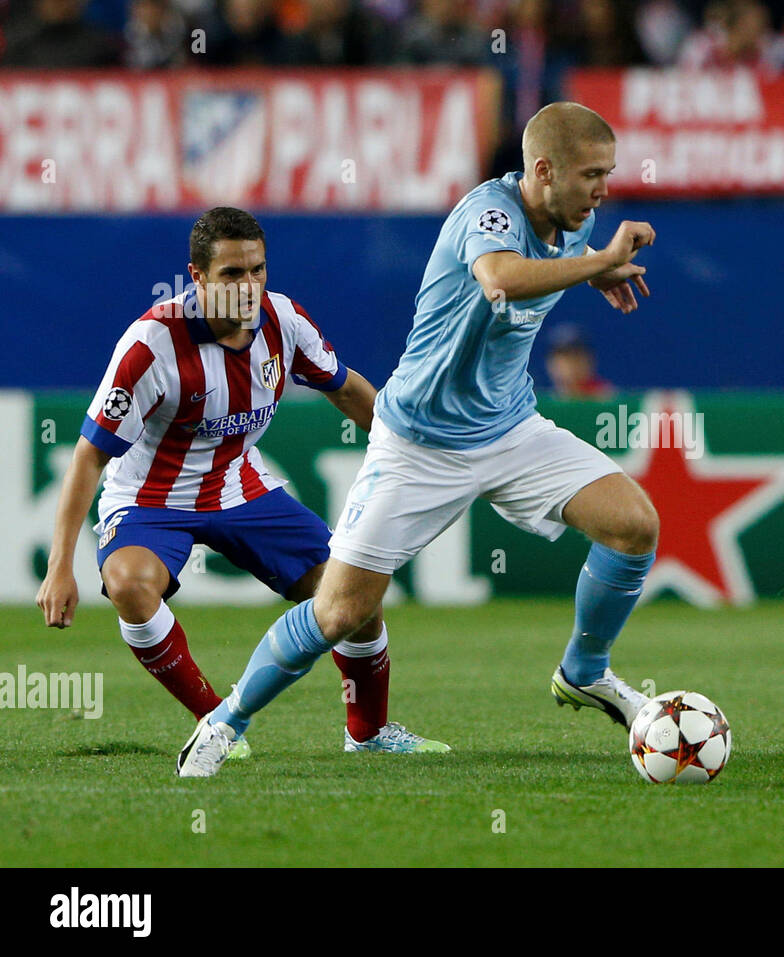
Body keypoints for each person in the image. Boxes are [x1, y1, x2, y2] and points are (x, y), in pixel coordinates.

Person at [176, 103, 660, 778]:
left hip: (511, 428)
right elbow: (499, 278)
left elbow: (550, 264)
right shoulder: (486, 213)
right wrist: (597, 261)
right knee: (340, 610)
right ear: (543, 171)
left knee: (634, 524)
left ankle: (585, 671)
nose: (603, 188)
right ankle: (225, 721)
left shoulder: (574, 226)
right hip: (420, 442)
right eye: (591, 174)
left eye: (608, 173)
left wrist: (593, 262)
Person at [37, 207, 445, 760]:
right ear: (198, 277)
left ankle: (368, 734)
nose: (249, 286)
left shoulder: (284, 322)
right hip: (149, 500)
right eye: (232, 274)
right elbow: (88, 458)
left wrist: (412, 452)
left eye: (257, 270)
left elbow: (347, 389)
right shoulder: (151, 346)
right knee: (130, 583)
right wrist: (60, 564)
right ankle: (215, 725)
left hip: (240, 486)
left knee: (355, 593)